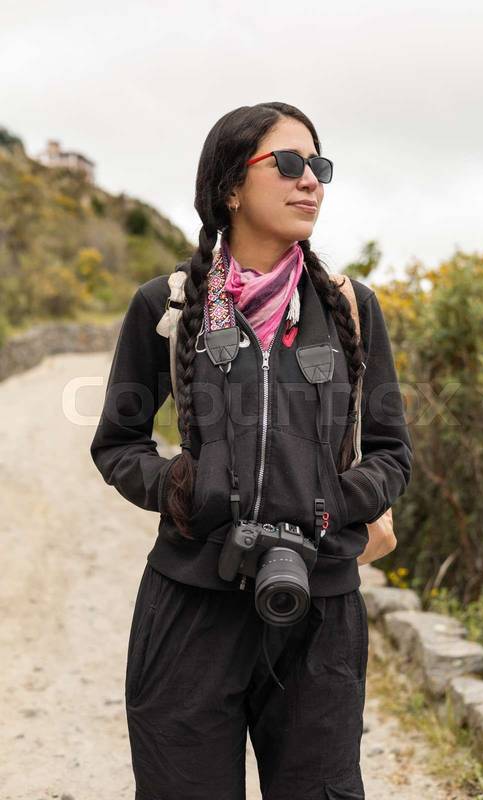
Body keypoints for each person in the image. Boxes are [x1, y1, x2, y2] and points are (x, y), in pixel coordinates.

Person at [90, 101, 413, 800]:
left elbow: (392, 453)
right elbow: (118, 442)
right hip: (191, 602)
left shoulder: (351, 308)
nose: (311, 183)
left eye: (319, 167)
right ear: (231, 186)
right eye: (289, 164)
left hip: (318, 605)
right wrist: (187, 486)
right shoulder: (168, 305)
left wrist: (330, 502)